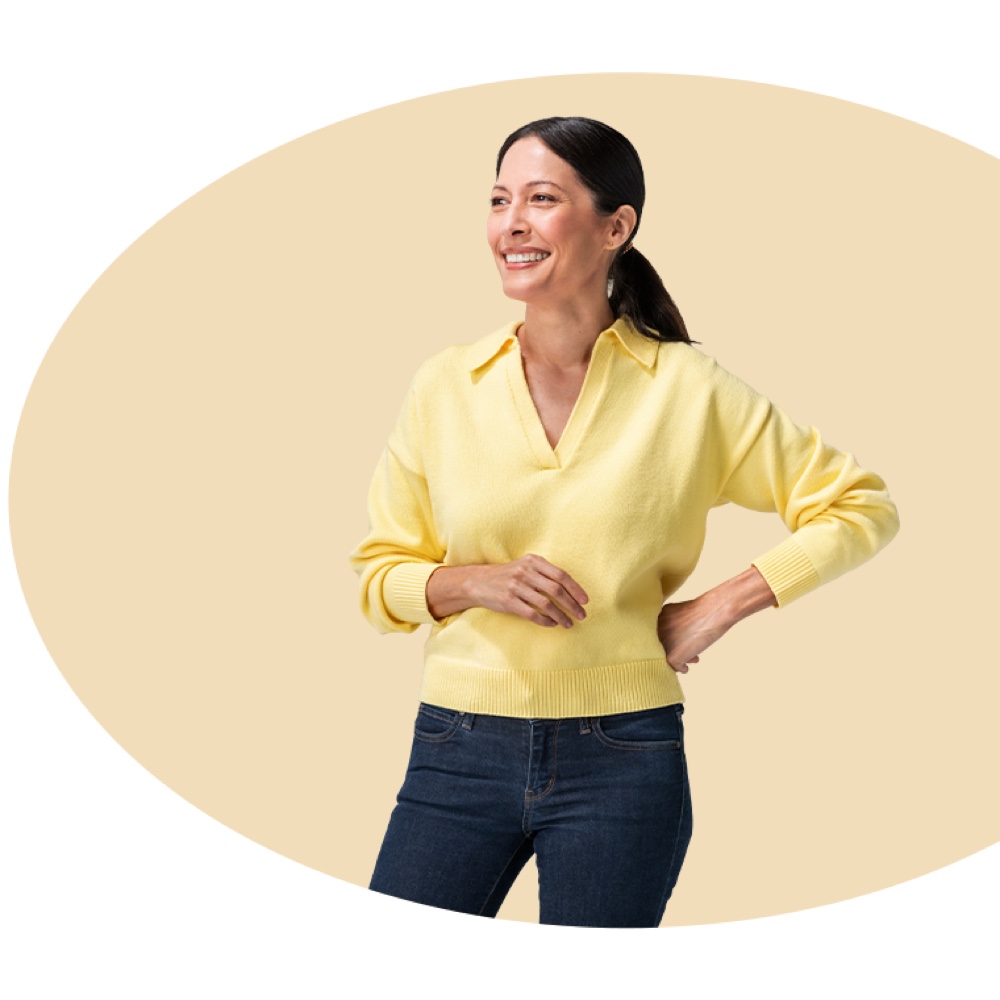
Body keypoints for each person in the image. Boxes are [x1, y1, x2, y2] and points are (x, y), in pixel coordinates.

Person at [348, 116, 899, 928]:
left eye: (543, 198)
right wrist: (468, 581)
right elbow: (377, 575)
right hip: (457, 749)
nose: (512, 224)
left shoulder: (689, 389)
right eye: (500, 200)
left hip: (623, 756)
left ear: (617, 226)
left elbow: (862, 506)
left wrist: (721, 606)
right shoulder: (446, 385)